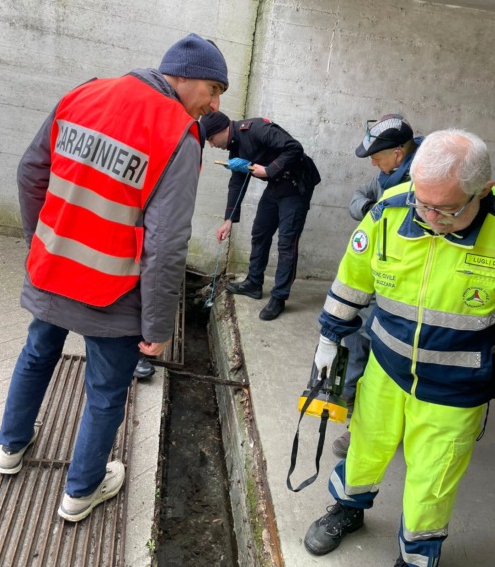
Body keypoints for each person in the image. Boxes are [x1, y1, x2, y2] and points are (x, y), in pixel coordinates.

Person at [0, 33, 228, 522]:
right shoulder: (178, 135)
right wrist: (158, 327)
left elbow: (30, 172)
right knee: (104, 392)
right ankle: (81, 490)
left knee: (38, 354)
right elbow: (166, 245)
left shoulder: (85, 93)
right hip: (113, 289)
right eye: (212, 88)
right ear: (182, 76)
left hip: (54, 269)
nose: (214, 102)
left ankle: (10, 449)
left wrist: (41, 243)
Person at [304, 129, 495, 567]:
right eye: (421, 202)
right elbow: (353, 278)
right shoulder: (391, 210)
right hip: (386, 370)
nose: (427, 216)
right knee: (365, 446)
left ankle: (416, 557)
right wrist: (330, 336)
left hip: (455, 390)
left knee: (433, 480)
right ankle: (348, 509)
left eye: (443, 210)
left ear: (482, 192)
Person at [332, 114, 423, 458]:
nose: (372, 163)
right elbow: (360, 194)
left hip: (405, 288)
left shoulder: (427, 183)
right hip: (377, 273)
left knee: (385, 354)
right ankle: (356, 414)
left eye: (376, 156)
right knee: (354, 338)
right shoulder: (387, 176)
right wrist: (371, 210)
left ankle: (368, 428)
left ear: (398, 153)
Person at [200, 112, 320, 321]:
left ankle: (279, 297)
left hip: (296, 184)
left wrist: (268, 170)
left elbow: (294, 148)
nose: (211, 145)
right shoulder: (235, 146)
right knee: (260, 232)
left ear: (222, 130)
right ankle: (254, 283)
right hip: (276, 185)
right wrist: (229, 220)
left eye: (210, 139)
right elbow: (238, 182)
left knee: (286, 243)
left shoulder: (257, 129)